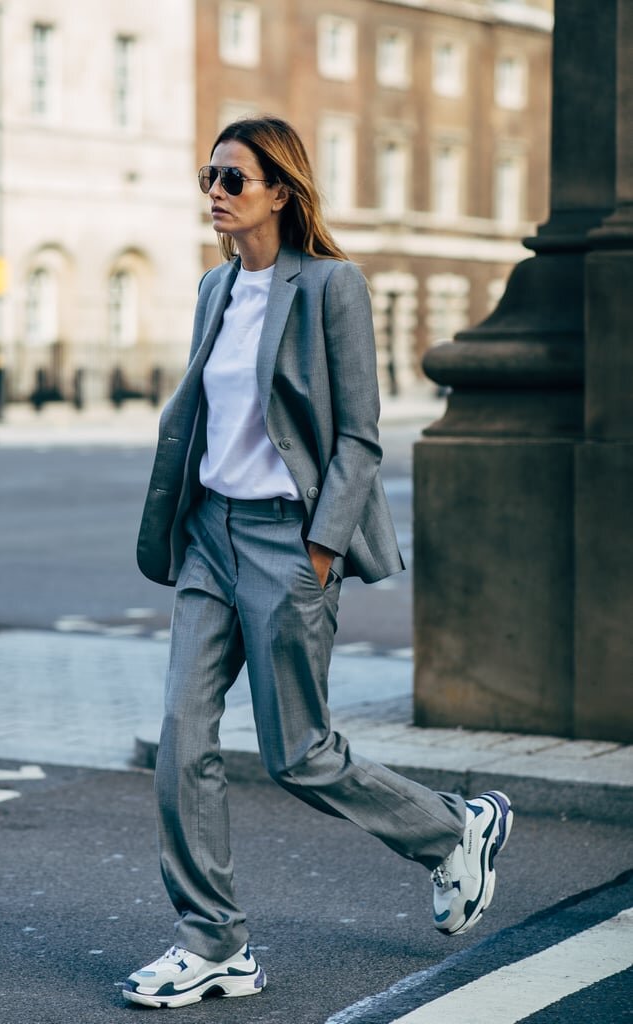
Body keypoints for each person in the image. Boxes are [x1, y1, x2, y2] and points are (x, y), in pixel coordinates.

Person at [123, 115, 513, 1010]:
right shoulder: (212, 292)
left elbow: (360, 439)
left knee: (297, 753)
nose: (214, 195)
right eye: (207, 178)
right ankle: (214, 941)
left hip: (285, 541)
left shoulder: (332, 286)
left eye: (231, 179)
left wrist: (320, 549)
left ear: (279, 191)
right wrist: (187, 521)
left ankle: (453, 828)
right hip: (207, 539)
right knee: (182, 741)